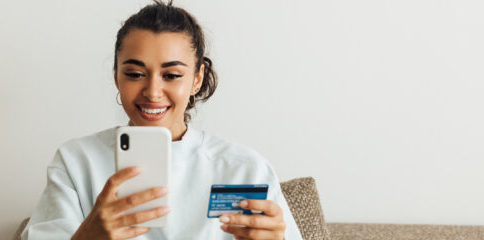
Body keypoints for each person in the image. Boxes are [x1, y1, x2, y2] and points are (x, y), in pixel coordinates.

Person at [21, 1, 303, 239]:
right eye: (134, 73)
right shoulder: (76, 161)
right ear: (116, 75)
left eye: (172, 75)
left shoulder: (245, 169)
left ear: (196, 79)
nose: (153, 92)